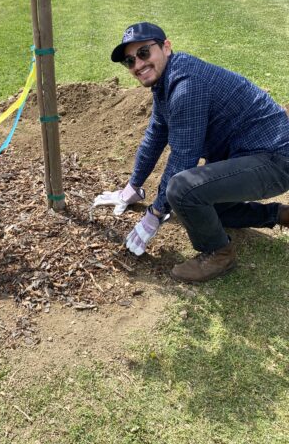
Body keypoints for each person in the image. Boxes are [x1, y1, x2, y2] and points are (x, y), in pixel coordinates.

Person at [94, 22, 289, 283]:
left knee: (182, 190)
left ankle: (219, 254)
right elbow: (154, 136)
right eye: (129, 61)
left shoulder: (187, 85)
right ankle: (280, 215)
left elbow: (184, 157)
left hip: (276, 159)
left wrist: (154, 214)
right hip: (251, 156)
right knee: (202, 211)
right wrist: (132, 187)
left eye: (143, 53)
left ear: (166, 47)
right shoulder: (166, 82)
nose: (138, 65)